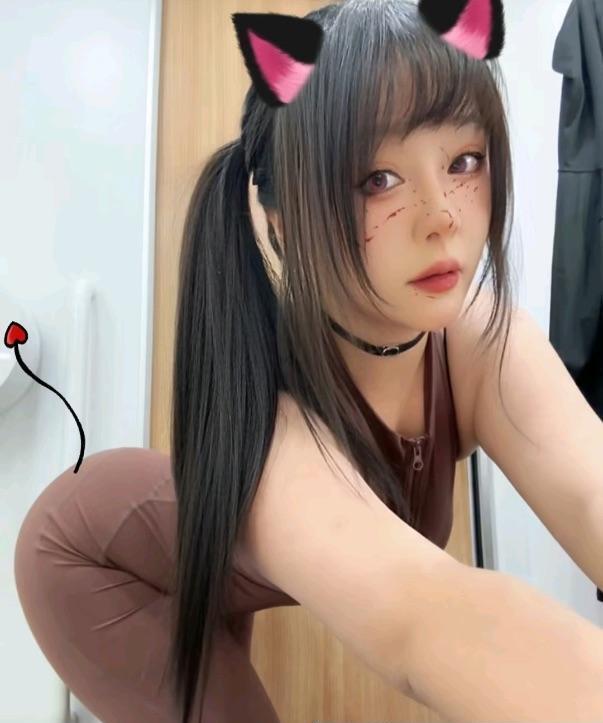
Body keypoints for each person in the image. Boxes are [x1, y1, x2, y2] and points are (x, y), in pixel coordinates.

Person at [13, 1, 603, 722]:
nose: (441, 214)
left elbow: (591, 492)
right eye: (376, 179)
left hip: (218, 561)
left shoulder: (480, 337)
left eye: (463, 162)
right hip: (96, 561)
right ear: (284, 220)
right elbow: (423, 621)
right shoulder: (275, 416)